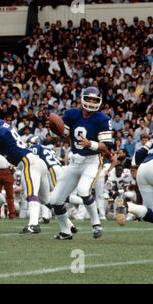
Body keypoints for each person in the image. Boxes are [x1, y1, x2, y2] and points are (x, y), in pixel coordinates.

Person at [48, 87, 113, 240]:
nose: (91, 102)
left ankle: (96, 224)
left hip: (92, 160)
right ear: (82, 99)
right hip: (75, 160)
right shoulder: (71, 114)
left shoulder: (102, 118)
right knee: (55, 200)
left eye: (94, 100)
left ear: (99, 102)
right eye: (88, 99)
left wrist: (90, 143)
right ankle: (65, 231)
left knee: (84, 190)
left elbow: (106, 146)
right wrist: (52, 129)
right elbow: (59, 138)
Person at [0, 118, 50, 234]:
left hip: (29, 163)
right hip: (37, 162)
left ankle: (33, 225)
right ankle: (68, 225)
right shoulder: (3, 127)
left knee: (31, 194)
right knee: (46, 200)